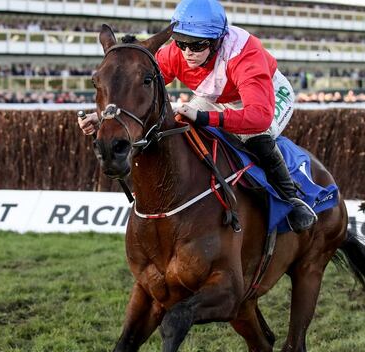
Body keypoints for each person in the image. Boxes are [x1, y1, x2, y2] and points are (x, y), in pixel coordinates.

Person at [80, 0, 316, 232]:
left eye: (197, 46)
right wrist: (105, 117)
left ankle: (292, 199)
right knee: (181, 127)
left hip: (266, 96)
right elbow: (135, 87)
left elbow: (258, 117)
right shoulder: (176, 54)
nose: (187, 53)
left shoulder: (245, 56)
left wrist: (205, 118)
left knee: (258, 138)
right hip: (216, 96)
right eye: (181, 44)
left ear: (216, 42)